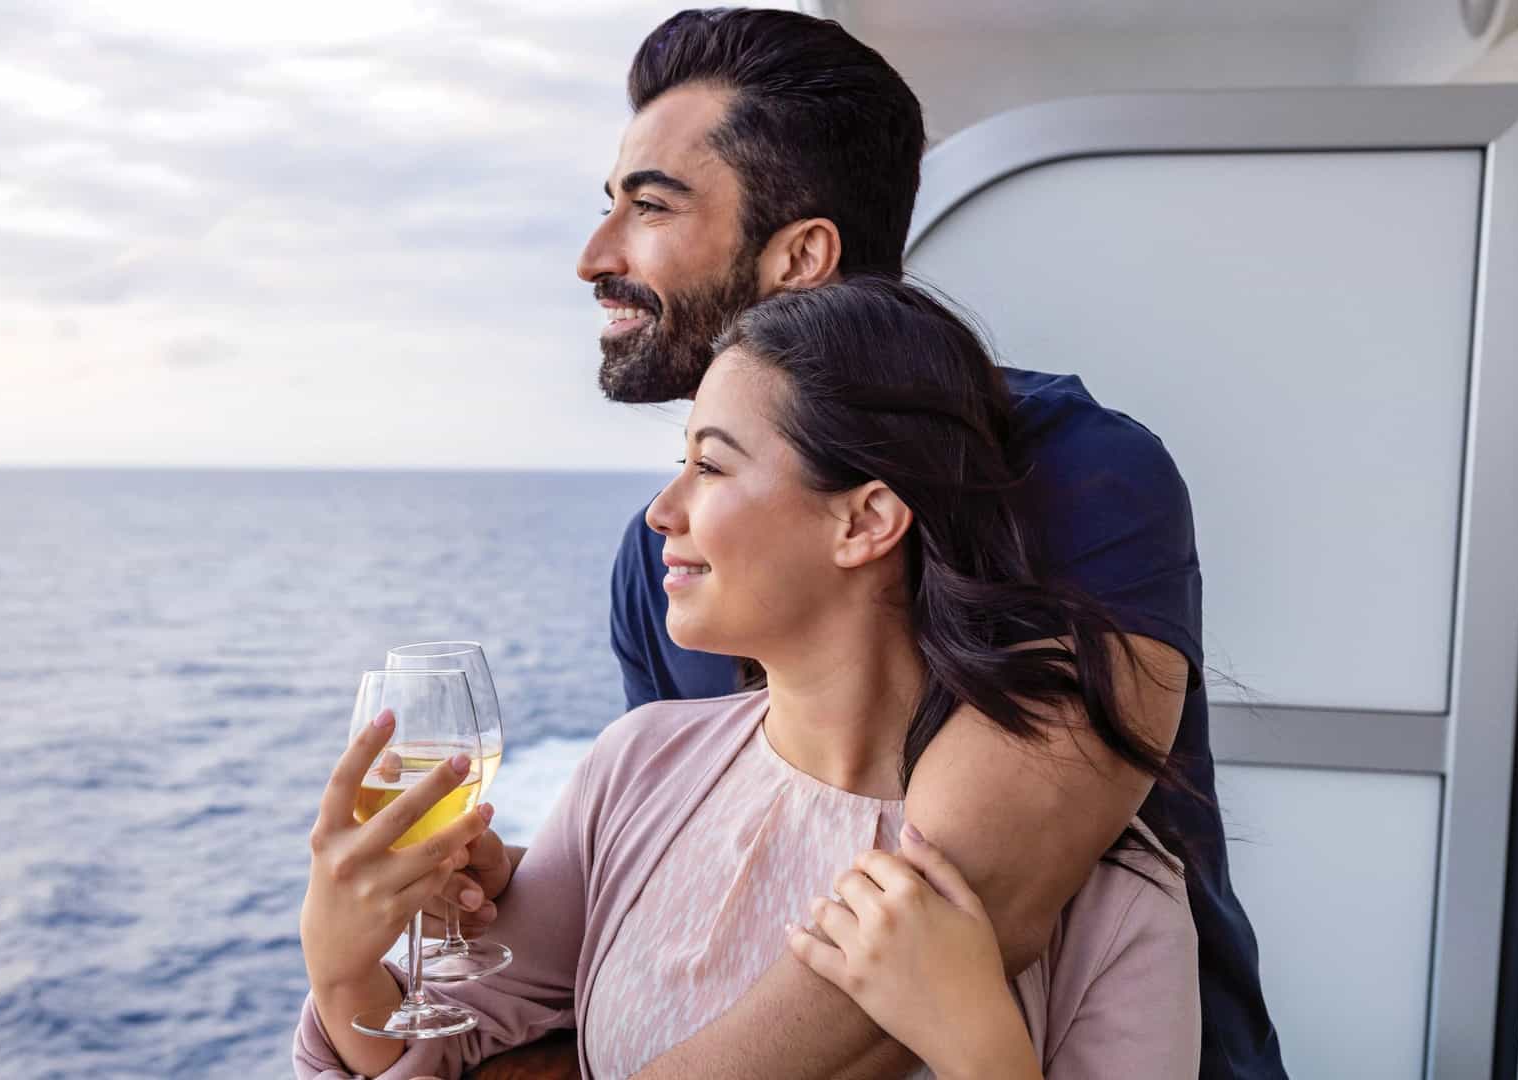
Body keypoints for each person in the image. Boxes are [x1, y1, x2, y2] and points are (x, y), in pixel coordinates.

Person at [434, 8, 1285, 1078]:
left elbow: (961, 901)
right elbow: (715, 868)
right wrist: (531, 900)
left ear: (802, 254)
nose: (594, 258)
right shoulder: (660, 567)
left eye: (649, 207)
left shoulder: (1077, 472)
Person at [295, 277, 1200, 1079]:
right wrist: (341, 969)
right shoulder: (637, 769)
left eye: (711, 465)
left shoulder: (1114, 899)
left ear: (865, 522)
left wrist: (979, 1048)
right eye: (678, 464)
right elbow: (445, 1050)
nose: (662, 511)